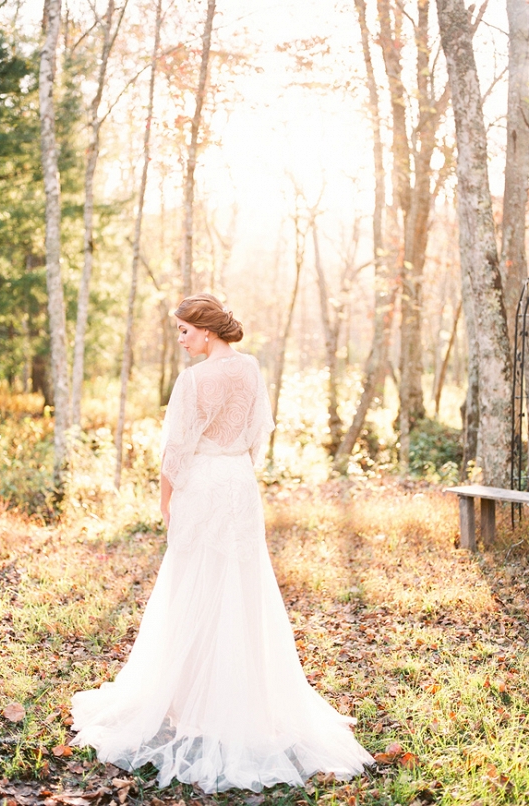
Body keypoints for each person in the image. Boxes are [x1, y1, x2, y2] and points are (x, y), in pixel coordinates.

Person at [70, 293, 374, 793]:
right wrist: (233, 468)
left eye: (185, 331)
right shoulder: (251, 368)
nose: (181, 340)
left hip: (203, 484)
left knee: (193, 583)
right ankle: (227, 697)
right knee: (238, 585)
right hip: (238, 482)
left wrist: (165, 501)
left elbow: (175, 451)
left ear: (206, 331)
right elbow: (257, 433)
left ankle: (190, 699)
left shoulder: (193, 381)